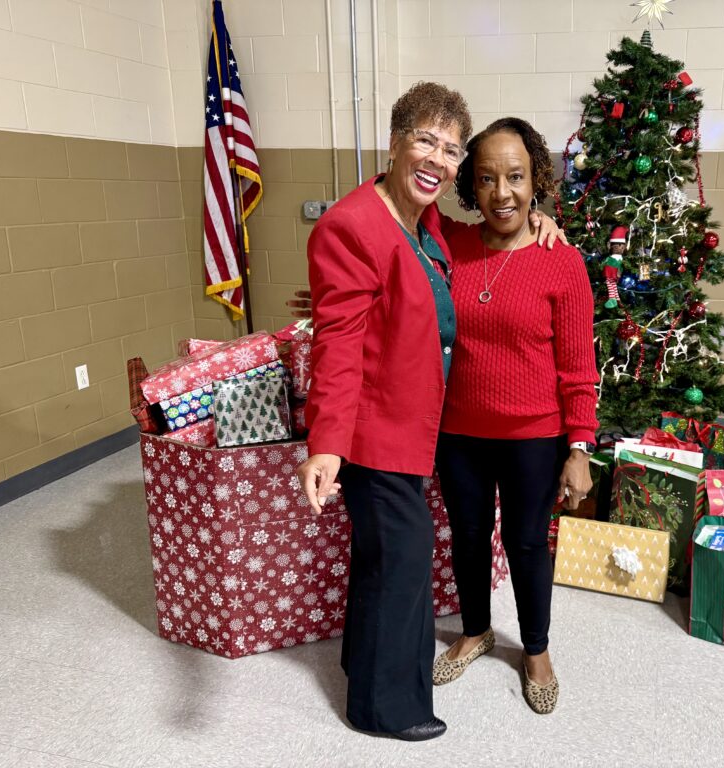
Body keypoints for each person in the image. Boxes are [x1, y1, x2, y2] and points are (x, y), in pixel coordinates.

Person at [295, 84, 561, 740]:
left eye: (450, 150)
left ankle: (363, 666)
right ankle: (386, 708)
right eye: (425, 141)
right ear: (394, 142)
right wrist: (326, 445)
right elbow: (338, 347)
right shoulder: (352, 224)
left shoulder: (423, 220)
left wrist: (543, 224)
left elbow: (487, 242)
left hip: (416, 431)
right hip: (375, 433)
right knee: (405, 564)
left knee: (384, 560)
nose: (438, 159)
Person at [432, 118, 599, 715]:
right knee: (470, 538)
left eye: (515, 177)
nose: (502, 192)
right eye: (485, 179)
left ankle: (535, 650)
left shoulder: (562, 262)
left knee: (528, 544)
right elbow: (393, 191)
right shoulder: (449, 243)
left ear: (537, 181)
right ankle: (475, 630)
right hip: (458, 433)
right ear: (469, 188)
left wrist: (579, 448)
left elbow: (580, 369)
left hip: (534, 436)